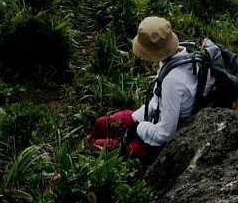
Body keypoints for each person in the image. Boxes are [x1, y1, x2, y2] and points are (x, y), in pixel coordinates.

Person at [89, 16, 214, 158]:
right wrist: (136, 118)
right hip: (153, 115)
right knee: (101, 123)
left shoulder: (172, 82)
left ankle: (92, 155)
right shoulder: (183, 54)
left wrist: (139, 128)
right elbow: (157, 101)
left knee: (106, 146)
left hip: (163, 134)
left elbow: (165, 134)